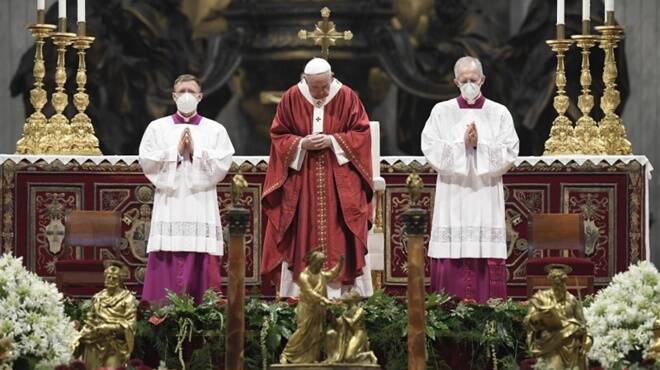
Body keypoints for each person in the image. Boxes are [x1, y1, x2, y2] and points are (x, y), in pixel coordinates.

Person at [261, 58, 374, 298]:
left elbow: (361, 133)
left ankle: (343, 295)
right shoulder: (292, 97)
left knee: (340, 232)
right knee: (302, 231)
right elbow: (278, 134)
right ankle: (299, 295)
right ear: (305, 80)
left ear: (332, 77)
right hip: (303, 180)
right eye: (316, 88)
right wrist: (301, 143)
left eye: (325, 86)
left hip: (339, 181)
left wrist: (333, 141)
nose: (322, 93)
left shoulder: (347, 96)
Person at [421, 56, 519, 303]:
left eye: (473, 79)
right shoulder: (441, 111)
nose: (469, 84)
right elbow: (430, 147)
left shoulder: (499, 113)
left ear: (483, 79)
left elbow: (510, 151)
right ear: (455, 81)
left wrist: (479, 145)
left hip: (485, 194)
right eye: (463, 80)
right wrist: (461, 145)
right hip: (453, 194)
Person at [139, 74, 235, 304]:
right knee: (167, 253)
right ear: (173, 96)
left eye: (191, 91)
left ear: (200, 96)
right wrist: (176, 152)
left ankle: (204, 307)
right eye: (181, 91)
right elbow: (147, 161)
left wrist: (195, 151)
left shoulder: (216, 130)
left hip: (200, 201)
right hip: (170, 201)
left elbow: (222, 164)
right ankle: (160, 309)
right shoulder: (157, 128)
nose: (186, 96)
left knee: (200, 253)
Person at [280, 250, 343, 364]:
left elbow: (332, 273)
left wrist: (340, 263)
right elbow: (310, 292)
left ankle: (311, 358)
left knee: (317, 333)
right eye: (320, 263)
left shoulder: (321, 274)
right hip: (307, 308)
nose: (321, 266)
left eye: (322, 263)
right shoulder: (304, 276)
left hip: (318, 310)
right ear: (313, 262)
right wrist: (324, 299)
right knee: (302, 331)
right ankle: (287, 354)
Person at [524, 265, 592, 370]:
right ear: (551, 282)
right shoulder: (541, 298)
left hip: (572, 347)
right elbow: (527, 320)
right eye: (556, 284)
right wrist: (537, 316)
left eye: (561, 283)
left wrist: (588, 339)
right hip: (550, 345)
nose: (558, 286)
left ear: (565, 283)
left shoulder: (572, 300)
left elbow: (584, 324)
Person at [75, 261, 137, 369]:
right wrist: (88, 328)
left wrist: (110, 327)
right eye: (108, 277)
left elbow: (131, 324)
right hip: (94, 341)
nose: (111, 281)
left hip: (114, 345)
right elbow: (91, 318)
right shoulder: (98, 298)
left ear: (120, 280)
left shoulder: (127, 298)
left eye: (114, 278)